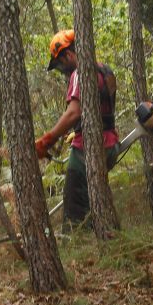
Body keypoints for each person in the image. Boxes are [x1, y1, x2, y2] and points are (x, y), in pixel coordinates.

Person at [35, 29, 119, 229]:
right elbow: (101, 109)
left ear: (68, 54)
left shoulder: (80, 74)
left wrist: (47, 141)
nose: (62, 70)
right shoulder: (105, 70)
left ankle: (81, 250)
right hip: (110, 144)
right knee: (96, 201)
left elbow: (73, 113)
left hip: (87, 149)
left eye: (60, 64)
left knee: (75, 211)